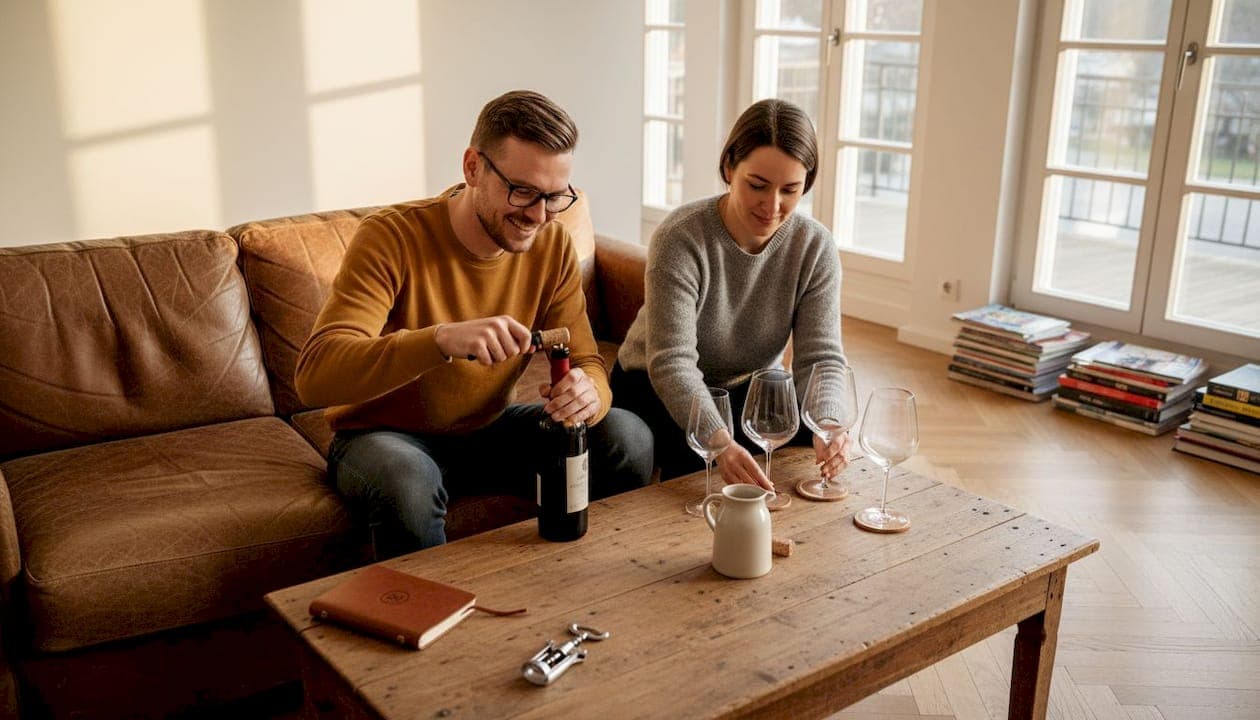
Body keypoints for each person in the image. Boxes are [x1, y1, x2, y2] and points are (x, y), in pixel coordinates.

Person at [296, 90, 654, 555]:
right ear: (472, 168)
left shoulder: (553, 247)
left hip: (491, 428)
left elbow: (587, 359)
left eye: (553, 197)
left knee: (628, 437)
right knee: (406, 485)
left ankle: (588, 588)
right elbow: (314, 377)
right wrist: (440, 340)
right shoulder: (390, 238)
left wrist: (589, 392)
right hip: (382, 437)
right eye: (522, 191)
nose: (538, 216)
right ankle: (433, 621)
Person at [613, 98, 850, 489]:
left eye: (790, 190)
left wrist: (829, 425)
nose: (772, 206)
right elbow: (671, 363)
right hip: (654, 386)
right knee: (700, 472)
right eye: (757, 185)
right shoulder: (681, 237)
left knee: (811, 434)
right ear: (728, 168)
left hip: (749, 387)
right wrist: (720, 443)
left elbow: (822, 358)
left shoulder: (814, 246)